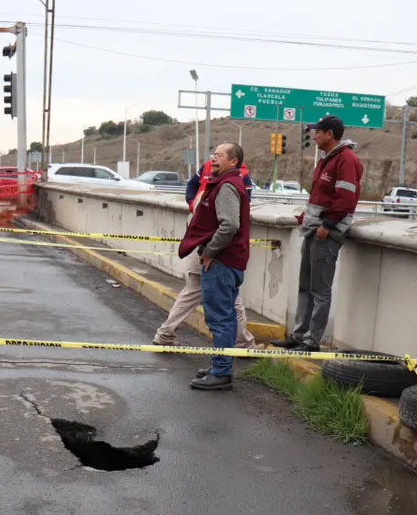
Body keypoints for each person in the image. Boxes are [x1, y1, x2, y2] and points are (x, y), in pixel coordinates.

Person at [274, 115, 363, 353]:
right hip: (312, 230)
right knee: (305, 286)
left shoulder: (346, 160)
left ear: (329, 135)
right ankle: (299, 334)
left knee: (320, 290)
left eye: (318, 132)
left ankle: (312, 340)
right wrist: (306, 218)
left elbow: (345, 198)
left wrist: (328, 225)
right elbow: (320, 198)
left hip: (326, 234)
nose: (314, 136)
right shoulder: (326, 160)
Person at [153, 158, 256, 349]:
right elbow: (234, 218)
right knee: (228, 301)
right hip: (214, 252)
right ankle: (242, 345)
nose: (214, 159)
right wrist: (209, 252)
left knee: (199, 294)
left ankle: (166, 333)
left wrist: (193, 205)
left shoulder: (215, 182)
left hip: (203, 246)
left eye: (219, 155)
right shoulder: (231, 180)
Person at [179, 142, 251, 391]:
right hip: (228, 261)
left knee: (219, 318)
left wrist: (209, 252)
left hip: (221, 262)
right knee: (227, 317)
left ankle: (221, 373)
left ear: (233, 162)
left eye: (219, 155)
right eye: (213, 155)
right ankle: (222, 365)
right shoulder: (227, 182)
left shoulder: (227, 186)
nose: (213, 159)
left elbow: (229, 225)